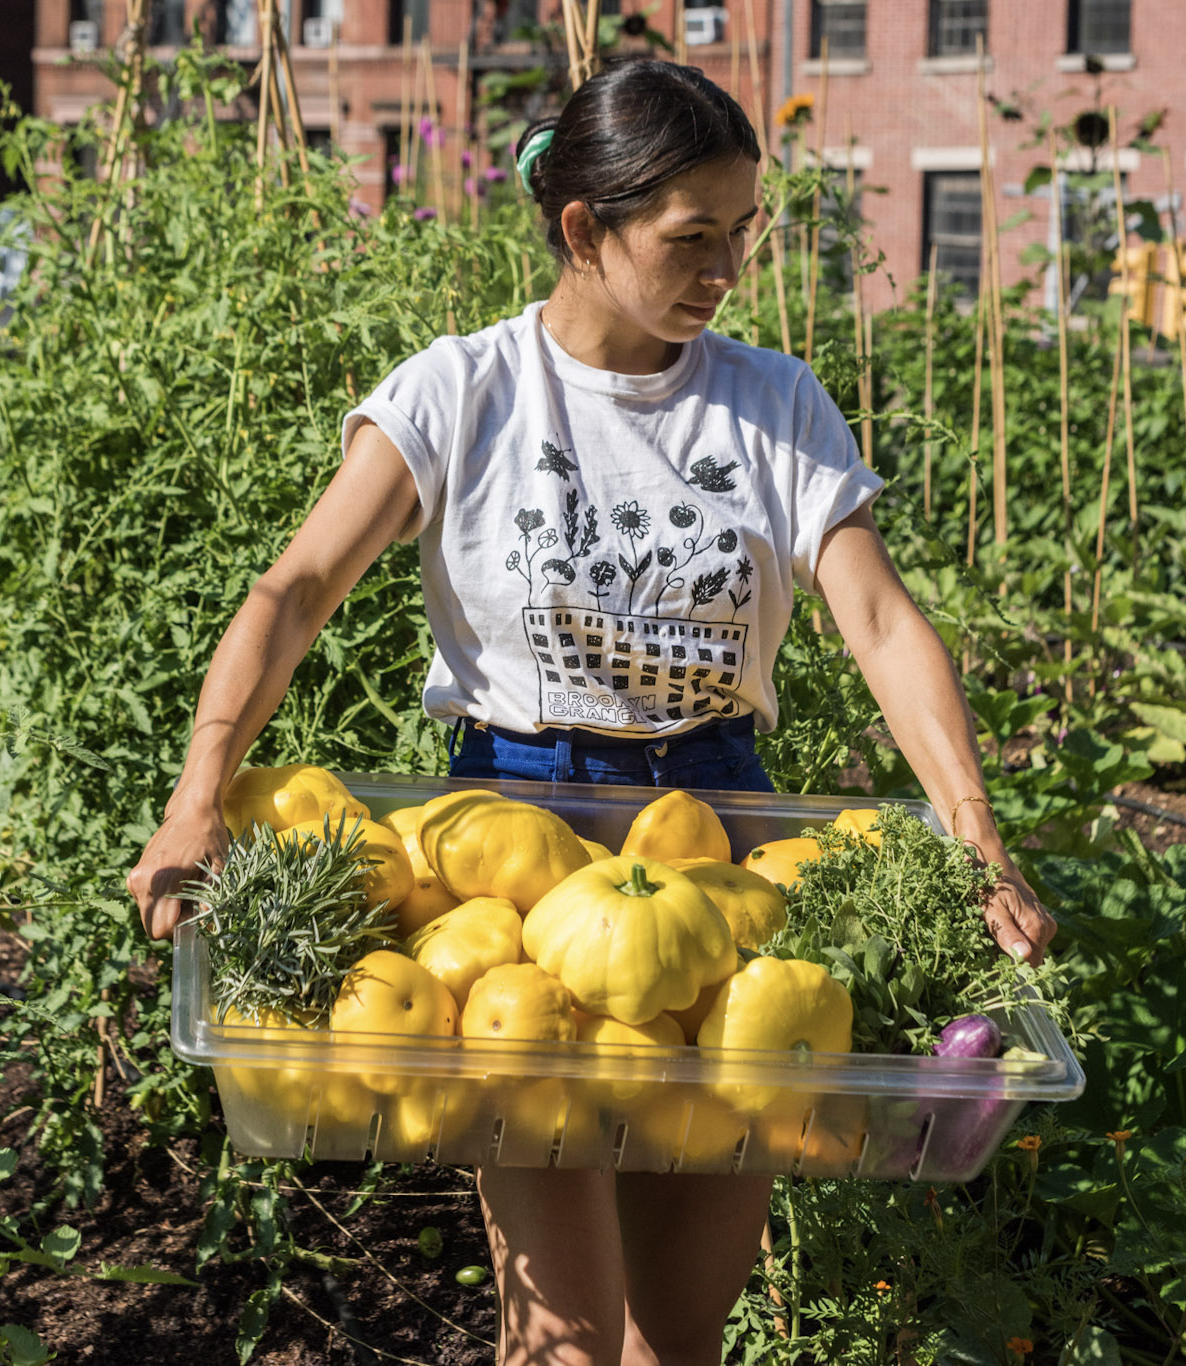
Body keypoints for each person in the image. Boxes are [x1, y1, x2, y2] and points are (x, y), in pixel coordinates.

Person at [126, 58, 1057, 1366]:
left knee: (670, 1348)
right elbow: (294, 589)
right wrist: (192, 798)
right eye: (692, 238)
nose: (726, 267)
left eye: (742, 233)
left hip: (720, 857)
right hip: (504, 875)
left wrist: (974, 830)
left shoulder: (774, 405)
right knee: (561, 1348)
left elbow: (886, 624)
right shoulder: (464, 393)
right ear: (583, 229)